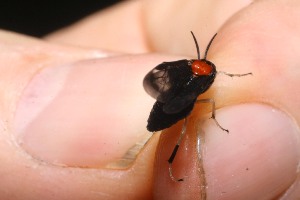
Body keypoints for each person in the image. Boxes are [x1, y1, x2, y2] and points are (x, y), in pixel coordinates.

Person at [1, 0, 300, 199]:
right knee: (184, 128)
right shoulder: (190, 73)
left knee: (185, 128)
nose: (201, 65)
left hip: (172, 106)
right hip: (169, 108)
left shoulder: (200, 79)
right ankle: (171, 162)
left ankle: (172, 161)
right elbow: (161, 80)